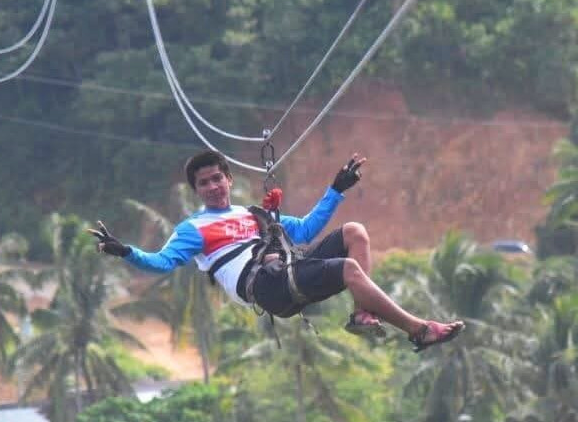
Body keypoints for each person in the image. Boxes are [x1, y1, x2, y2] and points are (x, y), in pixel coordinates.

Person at [89, 149, 464, 351]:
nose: (214, 186)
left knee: (354, 232)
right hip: (267, 286)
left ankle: (362, 316)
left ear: (229, 179)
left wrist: (337, 188)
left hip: (285, 269)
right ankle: (419, 330)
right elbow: (162, 262)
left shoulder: (253, 214)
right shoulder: (194, 229)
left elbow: (304, 231)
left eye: (218, 178)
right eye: (204, 183)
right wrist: (126, 252)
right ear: (197, 191)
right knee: (349, 268)